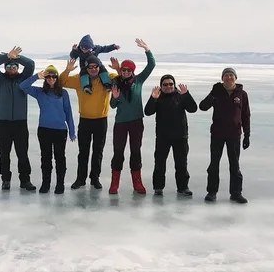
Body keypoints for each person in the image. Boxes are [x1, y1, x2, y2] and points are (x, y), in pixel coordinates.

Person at [59, 55, 120, 190]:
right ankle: (80, 179)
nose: (93, 69)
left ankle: (95, 178)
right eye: (90, 67)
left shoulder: (108, 78)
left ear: (99, 67)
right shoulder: (79, 80)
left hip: (101, 120)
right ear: (86, 68)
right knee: (83, 152)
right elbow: (61, 82)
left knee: (98, 151)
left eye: (95, 67)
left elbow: (122, 79)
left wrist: (118, 68)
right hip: (85, 120)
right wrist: (67, 70)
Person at [108, 38, 156, 195]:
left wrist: (147, 49)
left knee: (136, 151)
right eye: (124, 70)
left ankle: (137, 182)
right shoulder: (116, 82)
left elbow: (151, 65)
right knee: (118, 152)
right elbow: (113, 106)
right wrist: (115, 97)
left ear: (133, 71)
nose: (126, 72)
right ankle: (115, 182)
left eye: (129, 70)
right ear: (121, 71)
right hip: (121, 123)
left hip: (136, 122)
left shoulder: (139, 80)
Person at [19, 65, 76, 194]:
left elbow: (68, 112)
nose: (51, 78)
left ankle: (60, 184)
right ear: (45, 78)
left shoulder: (63, 93)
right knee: (46, 158)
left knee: (60, 158)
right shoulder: (40, 92)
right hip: (44, 130)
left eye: (54, 76)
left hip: (60, 130)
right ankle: (46, 184)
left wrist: (72, 131)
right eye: (48, 76)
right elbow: (23, 86)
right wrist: (36, 76)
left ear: (57, 78)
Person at [0, 46, 37, 192]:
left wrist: (17, 58)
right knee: (4, 153)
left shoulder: (23, 80)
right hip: (3, 123)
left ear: (17, 68)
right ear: (5, 68)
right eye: (8, 66)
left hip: (20, 123)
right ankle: (6, 179)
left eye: (14, 66)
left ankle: (25, 180)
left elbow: (31, 65)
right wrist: (6, 57)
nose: (11, 68)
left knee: (22, 153)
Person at [199, 67, 250, 204]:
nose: (229, 77)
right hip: (217, 134)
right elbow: (202, 107)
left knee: (235, 165)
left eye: (231, 75)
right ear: (222, 78)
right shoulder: (217, 92)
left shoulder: (242, 94)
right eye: (226, 75)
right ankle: (212, 192)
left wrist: (247, 135)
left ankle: (236, 193)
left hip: (234, 135)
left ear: (235, 78)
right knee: (214, 164)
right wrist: (212, 95)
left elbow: (246, 115)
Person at [143, 74, 197, 196]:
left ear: (174, 84)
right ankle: (158, 187)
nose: (168, 86)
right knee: (160, 163)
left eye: (171, 84)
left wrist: (186, 95)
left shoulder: (180, 96)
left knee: (181, 163)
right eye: (165, 84)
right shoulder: (159, 96)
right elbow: (148, 112)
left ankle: (183, 187)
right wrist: (153, 98)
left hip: (180, 136)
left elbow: (193, 108)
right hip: (163, 137)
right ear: (161, 86)